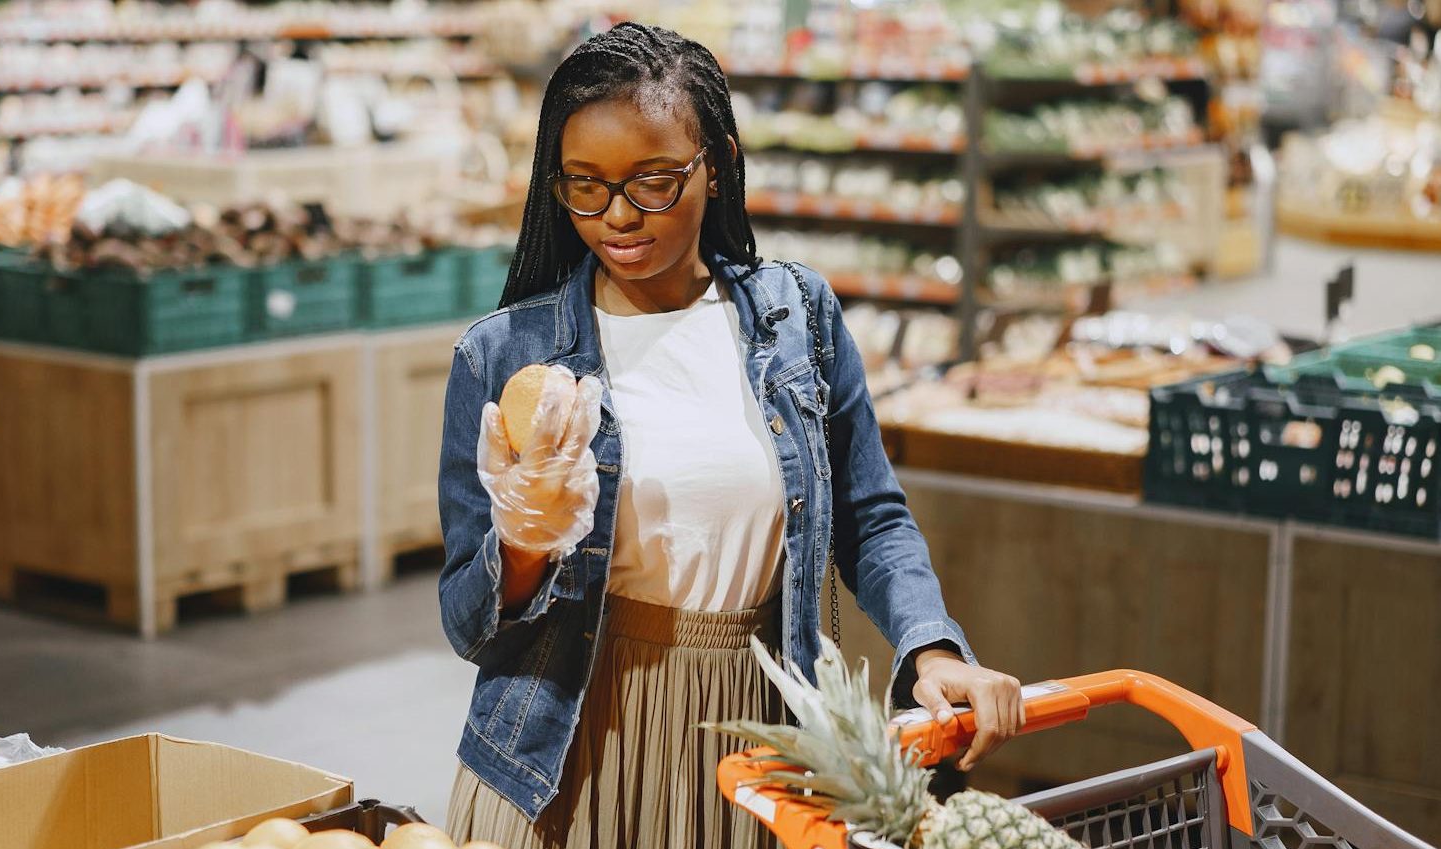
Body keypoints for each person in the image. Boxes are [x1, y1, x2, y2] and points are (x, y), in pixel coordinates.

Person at [436, 23, 1025, 848]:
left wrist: (932, 648)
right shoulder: (503, 356)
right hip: (565, 749)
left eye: (653, 182)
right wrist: (525, 538)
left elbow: (872, 516)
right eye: (585, 187)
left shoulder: (798, 318)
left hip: (760, 740)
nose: (617, 217)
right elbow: (468, 625)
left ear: (718, 166)